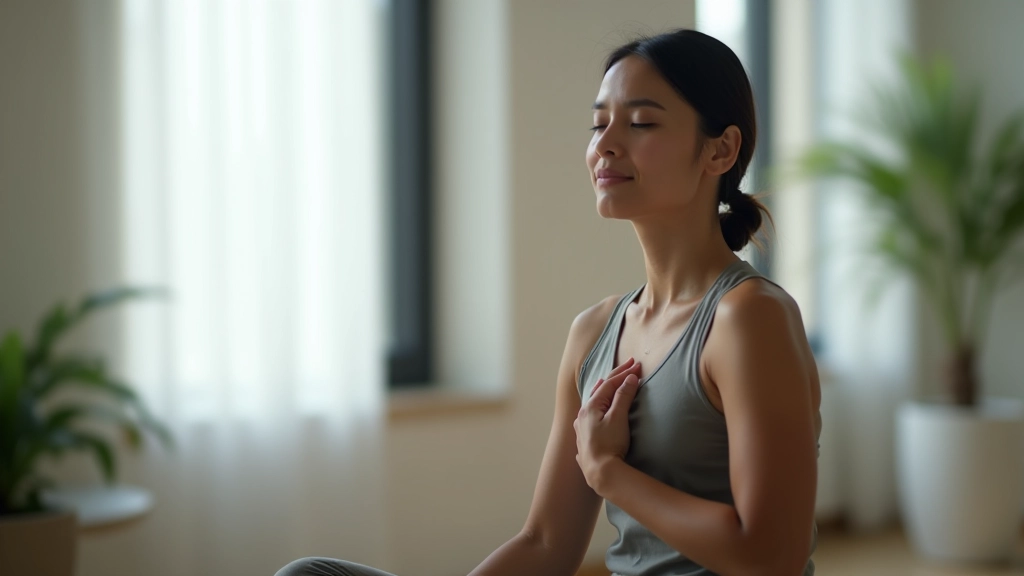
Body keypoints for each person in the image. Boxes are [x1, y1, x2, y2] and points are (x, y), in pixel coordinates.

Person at [275, 28, 821, 576]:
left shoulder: (749, 319)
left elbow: (771, 557)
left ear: (719, 149)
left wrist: (608, 471)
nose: (606, 144)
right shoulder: (594, 332)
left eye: (641, 122)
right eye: (598, 123)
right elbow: (544, 543)